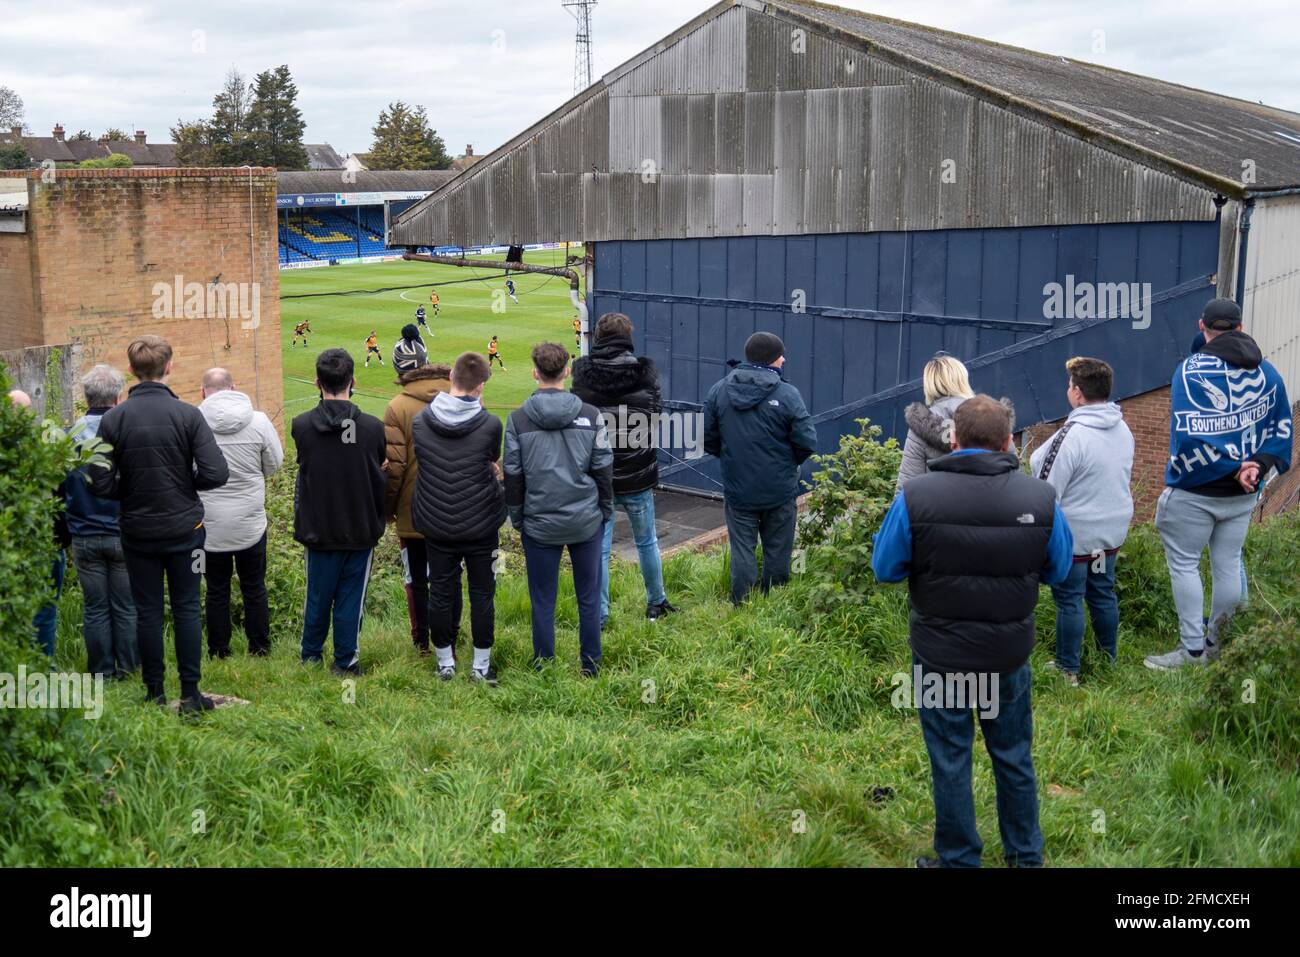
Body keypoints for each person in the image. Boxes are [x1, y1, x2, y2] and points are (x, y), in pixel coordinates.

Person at [872, 395, 1074, 868]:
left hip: (940, 657)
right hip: (1007, 656)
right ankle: (1027, 857)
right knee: (1013, 757)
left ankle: (960, 859)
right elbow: (1059, 570)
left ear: (954, 440)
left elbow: (885, 567)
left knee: (950, 758)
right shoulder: (1040, 498)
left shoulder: (917, 496)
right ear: (1008, 441)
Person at [1146, 299, 1293, 670]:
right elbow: (1281, 427)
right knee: (1227, 564)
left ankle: (1192, 651)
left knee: (1185, 566)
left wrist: (1230, 467)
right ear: (1241, 327)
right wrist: (1255, 466)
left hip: (1196, 491)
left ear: (1202, 326)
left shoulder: (1189, 371)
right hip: (1243, 494)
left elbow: (1188, 437)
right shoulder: (1269, 373)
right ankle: (1220, 645)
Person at [91, 336, 229, 712]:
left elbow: (100, 482)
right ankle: (190, 693)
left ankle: (154, 692)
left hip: (138, 529)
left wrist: (133, 489)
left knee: (148, 610)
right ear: (169, 368)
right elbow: (217, 472)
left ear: (132, 371)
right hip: (185, 529)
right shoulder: (187, 415)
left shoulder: (113, 418)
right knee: (186, 607)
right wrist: (183, 484)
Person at [504, 342, 613, 676]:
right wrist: (604, 511)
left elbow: (513, 475)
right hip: (583, 520)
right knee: (589, 597)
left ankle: (544, 665)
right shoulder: (591, 416)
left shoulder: (519, 419)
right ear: (566, 371)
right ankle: (590, 665)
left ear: (536, 372)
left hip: (541, 522)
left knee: (542, 600)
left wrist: (519, 517)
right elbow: (604, 468)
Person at [1029, 357, 1134, 685]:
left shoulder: (1071, 435)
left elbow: (1046, 487)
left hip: (1077, 539)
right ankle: (1108, 661)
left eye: (1069, 385)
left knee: (1070, 598)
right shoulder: (1122, 427)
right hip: (1109, 537)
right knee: (1102, 592)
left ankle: (1067, 670)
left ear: (1077, 392)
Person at [570, 312, 676, 627]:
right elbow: (655, 415)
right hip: (637, 471)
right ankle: (656, 602)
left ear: (600, 338)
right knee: (647, 541)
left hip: (598, 475)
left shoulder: (583, 375)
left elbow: (579, 422)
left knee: (599, 549)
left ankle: (600, 615)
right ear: (627, 337)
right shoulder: (645, 374)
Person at [412, 352, 507, 683]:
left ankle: (445, 662)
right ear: (480, 386)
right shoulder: (490, 423)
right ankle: (480, 666)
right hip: (480, 523)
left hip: (438, 522)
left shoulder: (421, 421)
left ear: (451, 375)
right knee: (482, 593)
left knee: (440, 590)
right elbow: (491, 461)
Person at [292, 349, 387, 676]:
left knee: (317, 596)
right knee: (349, 601)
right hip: (358, 528)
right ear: (353, 381)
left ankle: (311, 657)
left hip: (320, 528)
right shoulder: (373, 429)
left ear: (317, 383)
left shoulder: (302, 426)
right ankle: (345, 662)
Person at [703, 332, 816, 606]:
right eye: (780, 355)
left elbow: (709, 440)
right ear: (771, 360)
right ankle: (774, 604)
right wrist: (788, 465)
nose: (784, 359)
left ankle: (743, 605)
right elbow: (807, 442)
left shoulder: (719, 390)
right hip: (779, 489)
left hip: (738, 489)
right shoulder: (788, 394)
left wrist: (734, 461)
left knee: (742, 549)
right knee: (778, 549)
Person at [197, 367, 283, 658]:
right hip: (250, 520)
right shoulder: (258, 422)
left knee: (216, 589)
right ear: (234, 388)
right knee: (254, 586)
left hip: (210, 523)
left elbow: (186, 472)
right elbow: (274, 462)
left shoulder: (193, 423)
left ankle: (219, 649)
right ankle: (259, 646)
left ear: (203, 392)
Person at [63, 365, 138, 680]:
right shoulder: (126, 430)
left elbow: (61, 486)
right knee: (125, 606)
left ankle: (101, 672)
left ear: (85, 397)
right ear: (118, 397)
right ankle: (129, 669)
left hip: (84, 531)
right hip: (121, 530)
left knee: (95, 608)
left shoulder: (70, 436)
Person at [383, 362, 463, 655]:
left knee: (416, 579)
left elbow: (395, 467)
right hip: (455, 505)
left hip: (413, 506)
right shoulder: (464, 400)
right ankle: (451, 636)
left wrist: (388, 508)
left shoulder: (397, 406)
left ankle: (422, 641)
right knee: (451, 576)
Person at [14, 387, 71, 658]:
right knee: (46, 609)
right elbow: (60, 501)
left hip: (18, 542)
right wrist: (62, 540)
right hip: (45, 542)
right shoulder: (45, 452)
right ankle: (42, 667)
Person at [896, 355, 974, 488]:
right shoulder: (991, 419)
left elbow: (907, 488)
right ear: (962, 380)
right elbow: (1009, 479)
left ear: (929, 385)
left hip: (936, 507)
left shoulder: (921, 424)